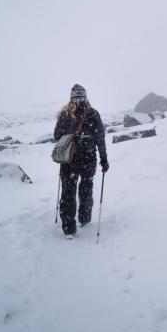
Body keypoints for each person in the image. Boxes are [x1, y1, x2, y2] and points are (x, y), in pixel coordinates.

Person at [54, 84, 109, 237]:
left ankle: (68, 228)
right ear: (85, 96)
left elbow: (56, 136)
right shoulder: (93, 114)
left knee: (68, 192)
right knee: (86, 188)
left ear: (71, 97)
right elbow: (100, 138)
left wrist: (70, 135)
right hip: (88, 158)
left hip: (69, 159)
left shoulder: (65, 114)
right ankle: (84, 218)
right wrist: (104, 158)